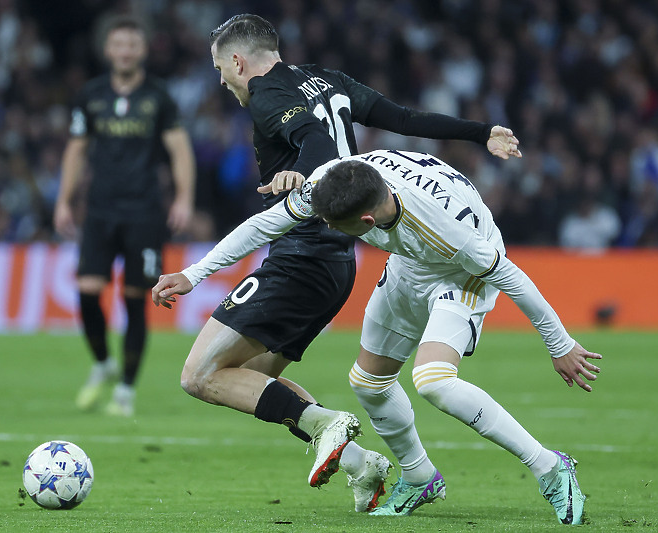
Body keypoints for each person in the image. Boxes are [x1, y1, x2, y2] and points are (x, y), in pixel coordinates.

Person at [165, 13, 521, 512]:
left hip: (299, 255)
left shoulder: (267, 95)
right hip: (337, 260)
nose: (222, 81)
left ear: (238, 61)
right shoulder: (328, 80)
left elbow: (313, 139)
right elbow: (402, 118)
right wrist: (480, 131)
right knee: (256, 381)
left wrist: (305, 180)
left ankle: (331, 427)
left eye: (220, 68)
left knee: (198, 376)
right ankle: (360, 463)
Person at [153, 148, 602, 525]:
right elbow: (266, 224)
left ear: (366, 221)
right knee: (368, 383)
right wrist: (196, 273)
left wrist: (559, 344)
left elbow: (510, 275)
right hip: (410, 264)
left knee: (434, 381)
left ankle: (549, 467)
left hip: (458, 274)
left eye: (336, 224)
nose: (327, 228)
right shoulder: (334, 179)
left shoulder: (447, 232)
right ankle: (419, 476)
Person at [54, 16, 196, 417]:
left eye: (133, 44)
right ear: (108, 49)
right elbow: (76, 149)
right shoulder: (91, 95)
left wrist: (184, 197)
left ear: (143, 50)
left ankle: (126, 391)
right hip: (99, 209)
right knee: (86, 291)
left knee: (136, 300)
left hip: (144, 211)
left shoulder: (158, 98)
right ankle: (102, 363)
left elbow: (179, 149)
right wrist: (64, 200)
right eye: (119, 44)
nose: (126, 51)